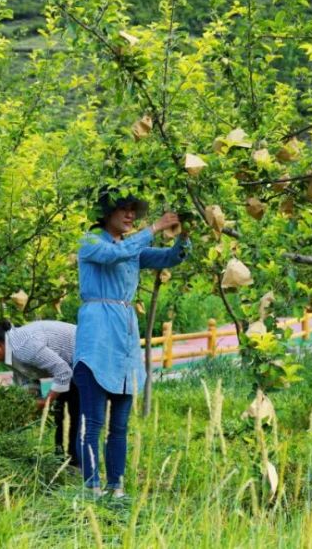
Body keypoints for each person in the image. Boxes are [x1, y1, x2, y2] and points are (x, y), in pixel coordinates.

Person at [74, 191, 189, 497]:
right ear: (107, 213)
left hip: (125, 338)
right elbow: (114, 255)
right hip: (98, 336)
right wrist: (153, 228)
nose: (129, 216)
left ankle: (116, 486)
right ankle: (91, 488)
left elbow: (168, 258)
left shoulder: (132, 248)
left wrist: (184, 237)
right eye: (123, 210)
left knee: (121, 424)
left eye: (133, 211)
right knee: (93, 421)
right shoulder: (90, 241)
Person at [0, 318, 80, 466]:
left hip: (83, 358)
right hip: (69, 367)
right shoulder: (9, 353)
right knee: (62, 416)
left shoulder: (23, 347)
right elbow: (28, 380)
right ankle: (63, 462)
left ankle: (74, 467)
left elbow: (63, 372)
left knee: (71, 416)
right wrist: (28, 406)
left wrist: (46, 401)